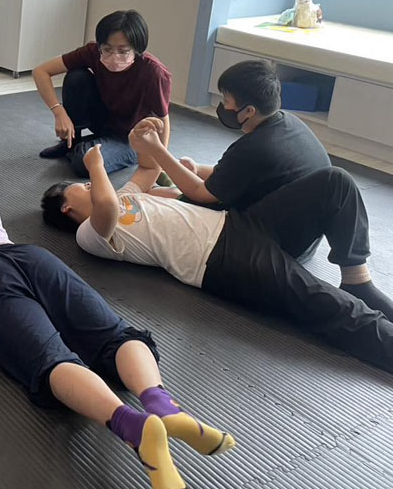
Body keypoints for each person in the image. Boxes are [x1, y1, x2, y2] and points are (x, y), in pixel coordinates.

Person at [0, 127, 235, 489]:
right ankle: (160, 402)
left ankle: (133, 427)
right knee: (114, 333)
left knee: (48, 359)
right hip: (28, 255)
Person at [42, 128, 393, 373]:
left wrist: (147, 136)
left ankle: (357, 279)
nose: (90, 185)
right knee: (325, 302)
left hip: (237, 223)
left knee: (334, 182)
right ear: (66, 209)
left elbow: (148, 167)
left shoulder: (123, 195)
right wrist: (96, 167)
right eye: (81, 187)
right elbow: (106, 206)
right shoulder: (89, 235)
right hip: (222, 259)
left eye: (88, 183)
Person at [156, 59, 331, 211]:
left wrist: (156, 150)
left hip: (266, 231)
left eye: (226, 100)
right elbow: (234, 174)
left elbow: (200, 193)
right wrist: (197, 168)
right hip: (303, 225)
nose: (223, 106)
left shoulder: (253, 148)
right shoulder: (289, 122)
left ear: (249, 111)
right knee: (168, 182)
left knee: (155, 195)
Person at [33, 10, 171, 176]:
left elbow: (163, 120)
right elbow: (41, 71)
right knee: (76, 77)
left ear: (137, 49)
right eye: (107, 49)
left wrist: (160, 164)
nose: (114, 57)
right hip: (104, 122)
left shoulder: (154, 72)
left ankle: (99, 150)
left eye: (123, 51)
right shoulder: (92, 52)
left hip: (131, 136)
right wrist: (58, 112)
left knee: (83, 162)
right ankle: (71, 142)